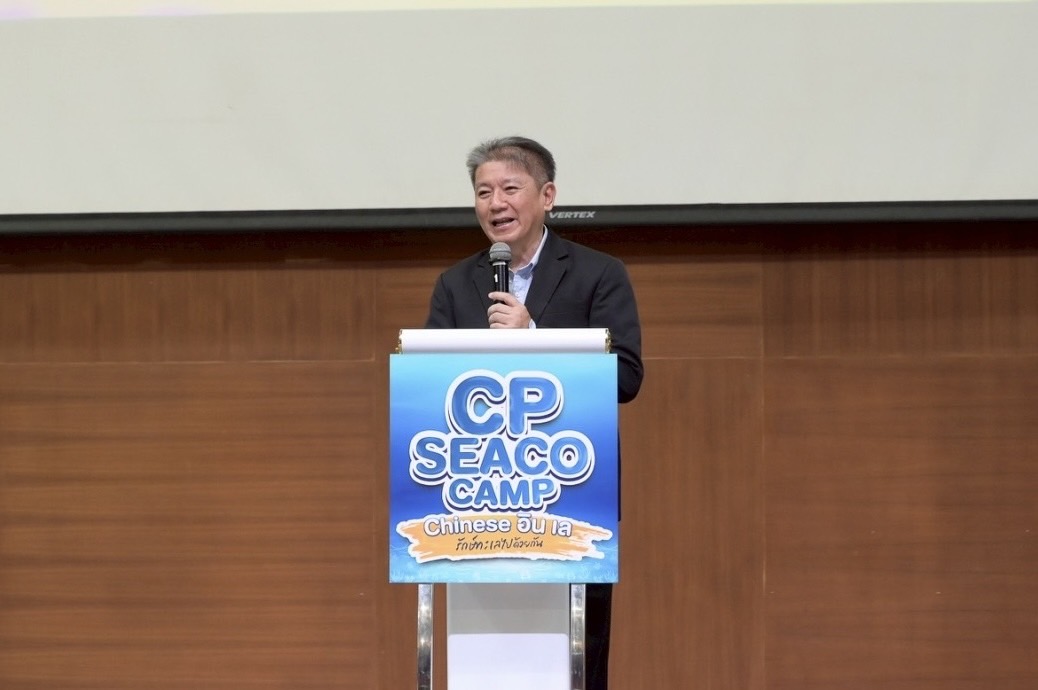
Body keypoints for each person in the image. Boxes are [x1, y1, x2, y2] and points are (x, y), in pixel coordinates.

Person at [424, 135, 644, 689]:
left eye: (509, 189)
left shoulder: (598, 274)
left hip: (570, 498)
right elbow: (430, 384)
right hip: (480, 501)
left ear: (547, 196)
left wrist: (535, 336)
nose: (495, 203)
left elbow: (625, 377)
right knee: (489, 660)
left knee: (576, 661)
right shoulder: (455, 285)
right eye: (483, 192)